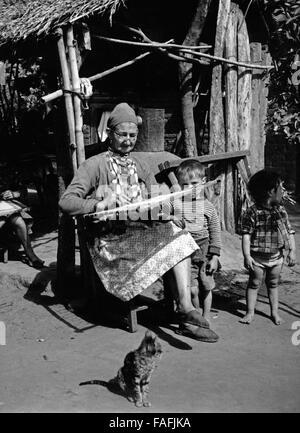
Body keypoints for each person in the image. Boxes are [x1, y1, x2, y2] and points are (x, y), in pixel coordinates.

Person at [59, 102, 219, 342]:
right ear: (110, 134)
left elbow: (153, 200)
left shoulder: (139, 166)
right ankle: (183, 312)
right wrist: (98, 204)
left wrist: (166, 212)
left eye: (132, 135)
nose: (127, 140)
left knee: (178, 235)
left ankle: (186, 309)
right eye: (122, 134)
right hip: (110, 240)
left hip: (140, 231)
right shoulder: (94, 165)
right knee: (171, 238)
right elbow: (67, 201)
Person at [240, 169, 296, 325]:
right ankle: (249, 312)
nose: (283, 191)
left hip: (277, 257)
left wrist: (293, 250)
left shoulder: (281, 211)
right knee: (254, 284)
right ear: (271, 192)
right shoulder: (252, 212)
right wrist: (247, 256)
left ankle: (274, 313)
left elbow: (289, 231)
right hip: (257, 258)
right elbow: (246, 235)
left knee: (273, 284)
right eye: (281, 188)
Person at [174, 160, 221, 340]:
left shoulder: (208, 207)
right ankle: (196, 314)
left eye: (193, 184)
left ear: (203, 182)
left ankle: (207, 316)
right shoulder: (178, 204)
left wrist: (214, 256)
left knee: (207, 287)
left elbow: (215, 232)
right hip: (187, 252)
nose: (189, 188)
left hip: (205, 250)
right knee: (192, 289)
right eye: (184, 184)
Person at [0, 187, 45, 269]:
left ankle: (30, 254)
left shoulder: (10, 175)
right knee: (2, 221)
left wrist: (14, 193)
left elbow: (27, 190)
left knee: (19, 221)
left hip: (8, 208)